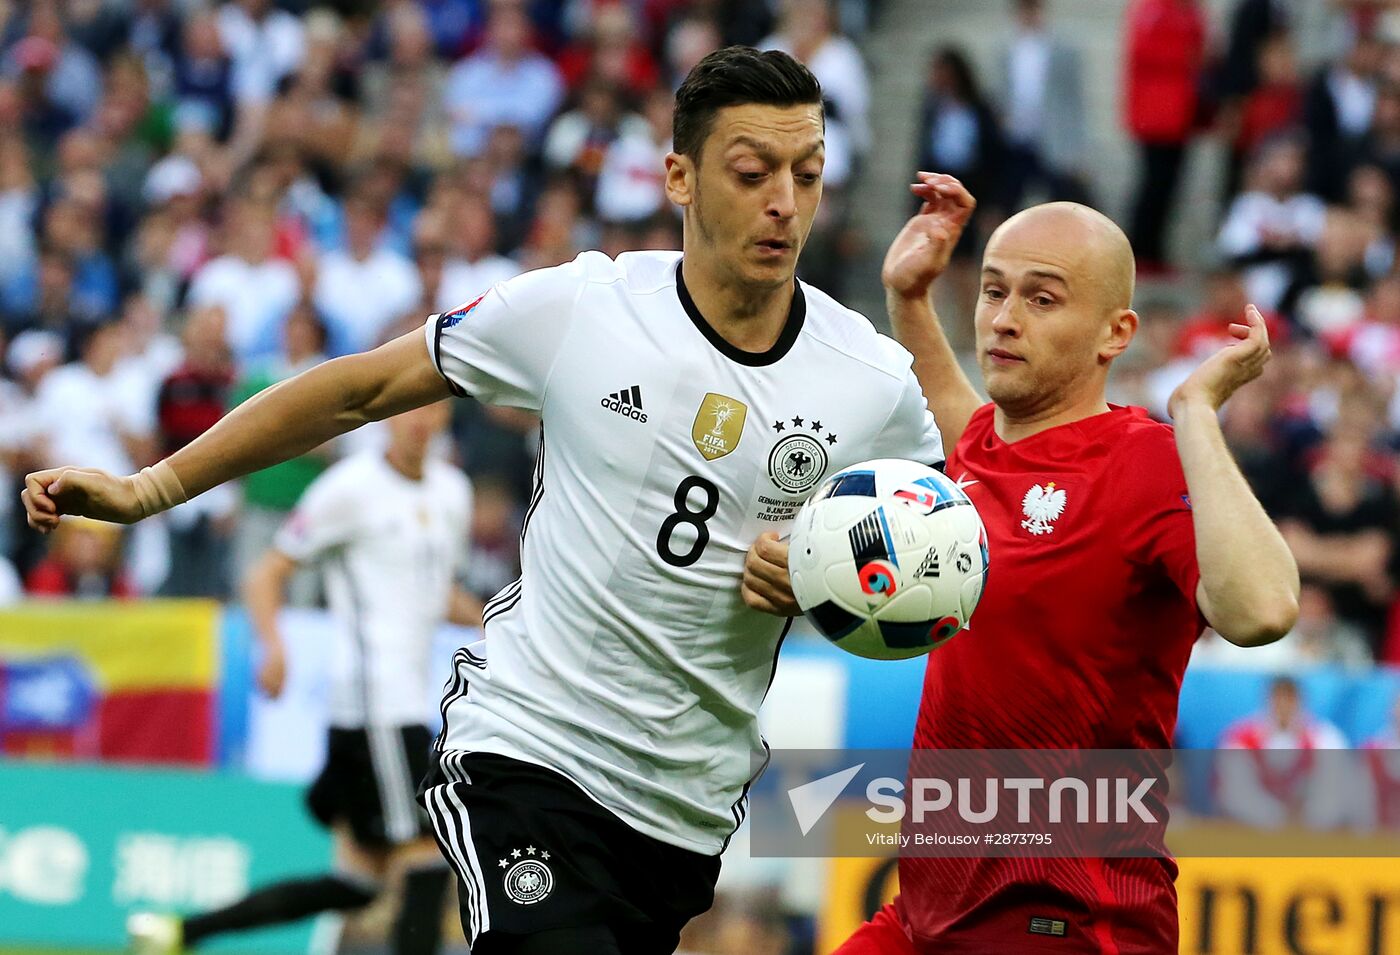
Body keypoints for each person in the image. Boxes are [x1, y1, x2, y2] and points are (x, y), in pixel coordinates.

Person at [25, 48, 945, 954]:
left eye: (809, 173)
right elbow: (359, 388)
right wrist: (154, 487)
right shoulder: (584, 309)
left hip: (686, 803)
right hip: (530, 747)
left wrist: (827, 584)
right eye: (752, 172)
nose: (785, 200)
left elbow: (946, 545)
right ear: (681, 177)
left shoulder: (865, 379)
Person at [832, 178, 1299, 951]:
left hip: (1067, 921)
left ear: (1116, 333)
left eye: (1043, 300)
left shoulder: (1142, 461)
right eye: (992, 291)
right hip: (923, 916)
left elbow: (1262, 610)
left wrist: (1195, 414)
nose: (1005, 319)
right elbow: (957, 415)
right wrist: (909, 297)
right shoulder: (988, 444)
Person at [126, 401, 480, 955]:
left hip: (411, 704)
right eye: (413, 406)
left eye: (435, 408)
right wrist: (273, 647)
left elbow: (438, 595)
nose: (421, 419)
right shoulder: (350, 489)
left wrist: (499, 623)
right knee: (430, 848)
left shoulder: (452, 494)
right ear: (393, 413)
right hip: (372, 708)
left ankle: (177, 933)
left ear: (446, 419)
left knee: (356, 884)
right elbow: (265, 573)